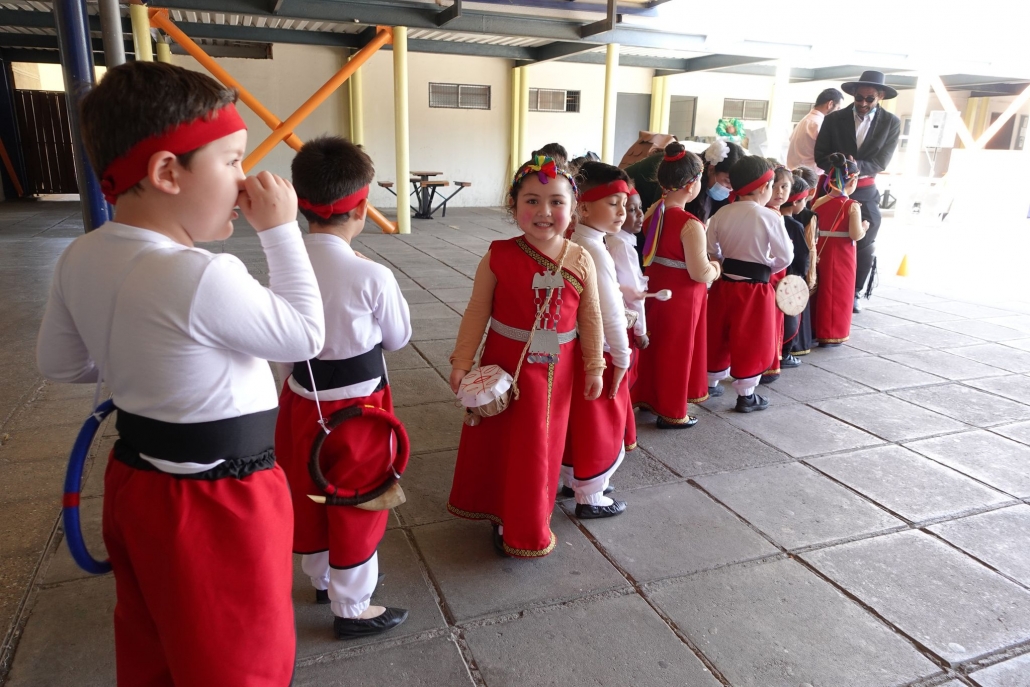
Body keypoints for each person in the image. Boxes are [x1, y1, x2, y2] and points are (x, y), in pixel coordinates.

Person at [36, 62, 325, 685]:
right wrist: (281, 231)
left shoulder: (80, 256)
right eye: (232, 160)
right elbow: (305, 336)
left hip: (136, 482)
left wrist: (142, 355)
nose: (245, 180)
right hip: (220, 500)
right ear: (167, 172)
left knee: (155, 642)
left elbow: (61, 363)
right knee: (239, 659)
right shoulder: (201, 274)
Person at [274, 136, 412, 640]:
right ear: (361, 207)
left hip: (300, 398)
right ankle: (352, 606)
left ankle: (321, 578)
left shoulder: (282, 268)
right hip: (361, 408)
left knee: (307, 486)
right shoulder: (371, 275)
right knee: (360, 498)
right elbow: (398, 338)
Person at [447, 156, 603, 557]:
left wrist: (595, 365)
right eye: (531, 201)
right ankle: (500, 511)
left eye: (556, 202)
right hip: (504, 363)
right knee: (503, 443)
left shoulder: (580, 257)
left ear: (574, 208)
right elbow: (477, 311)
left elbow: (591, 317)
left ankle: (527, 523)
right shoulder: (498, 255)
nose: (544, 211)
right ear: (513, 206)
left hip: (558, 370)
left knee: (540, 446)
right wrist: (462, 362)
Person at [561, 161, 632, 519]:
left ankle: (571, 478)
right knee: (599, 423)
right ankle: (591, 495)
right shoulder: (595, 251)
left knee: (576, 420)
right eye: (613, 203)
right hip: (599, 351)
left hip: (575, 348)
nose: (622, 212)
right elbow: (609, 312)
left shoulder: (574, 242)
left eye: (624, 204)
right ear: (584, 208)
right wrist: (622, 356)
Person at [633, 143, 720, 426]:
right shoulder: (689, 223)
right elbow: (700, 272)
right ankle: (672, 411)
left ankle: (647, 397)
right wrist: (717, 269)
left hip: (654, 286)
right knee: (676, 352)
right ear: (692, 185)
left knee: (654, 346)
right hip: (682, 297)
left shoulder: (652, 213)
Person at [706, 156, 793, 412]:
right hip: (755, 288)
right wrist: (766, 268)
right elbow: (785, 256)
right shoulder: (769, 217)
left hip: (724, 285)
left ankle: (711, 383)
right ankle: (746, 395)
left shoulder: (721, 212)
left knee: (718, 333)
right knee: (751, 339)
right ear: (764, 187)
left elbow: (711, 249)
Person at [814, 70, 901, 310]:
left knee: (867, 237)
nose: (863, 103)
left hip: (865, 187)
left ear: (880, 96)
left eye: (869, 99)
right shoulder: (834, 119)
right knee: (820, 234)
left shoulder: (891, 122)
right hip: (833, 187)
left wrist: (856, 167)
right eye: (859, 98)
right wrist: (841, 165)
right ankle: (816, 284)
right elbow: (820, 155)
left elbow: (881, 161)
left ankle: (854, 292)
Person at [606, 182, 647, 451]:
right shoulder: (621, 245)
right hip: (624, 322)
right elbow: (634, 294)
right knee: (625, 375)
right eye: (631, 209)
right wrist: (641, 329)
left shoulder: (615, 239)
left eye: (639, 208)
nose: (639, 215)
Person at [811, 153, 868, 345]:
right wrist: (865, 227)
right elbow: (855, 234)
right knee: (839, 291)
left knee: (820, 287)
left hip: (821, 249)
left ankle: (815, 327)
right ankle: (833, 332)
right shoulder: (851, 205)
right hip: (843, 253)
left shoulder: (819, 202)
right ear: (852, 181)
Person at [759, 165, 796, 385]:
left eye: (785, 187)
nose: (780, 192)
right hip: (770, 274)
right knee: (769, 322)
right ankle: (766, 366)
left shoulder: (775, 213)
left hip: (776, 273)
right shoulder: (767, 214)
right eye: (775, 186)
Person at [778, 172, 813, 364]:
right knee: (790, 318)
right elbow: (802, 257)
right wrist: (804, 276)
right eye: (804, 200)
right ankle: (784, 354)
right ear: (796, 201)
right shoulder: (795, 225)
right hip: (790, 278)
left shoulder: (771, 218)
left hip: (772, 277)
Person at [684, 139, 746, 224]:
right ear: (711, 169)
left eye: (734, 185)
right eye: (727, 181)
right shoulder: (687, 190)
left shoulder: (725, 201)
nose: (730, 189)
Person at [786, 88, 843, 173]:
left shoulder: (804, 120)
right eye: (838, 108)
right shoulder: (819, 124)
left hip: (794, 173)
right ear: (830, 104)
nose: (838, 113)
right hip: (811, 176)